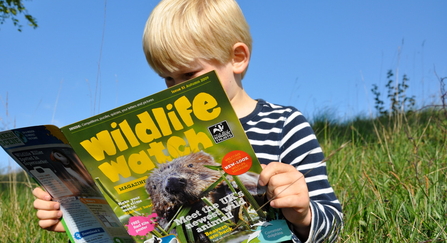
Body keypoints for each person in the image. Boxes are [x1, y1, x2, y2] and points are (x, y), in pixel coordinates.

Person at [33, 0, 343, 242]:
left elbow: (332, 227)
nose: (178, 89)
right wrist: (78, 218)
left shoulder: (283, 124)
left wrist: (303, 214)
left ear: (237, 58)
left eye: (189, 75)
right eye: (168, 79)